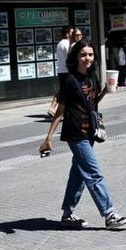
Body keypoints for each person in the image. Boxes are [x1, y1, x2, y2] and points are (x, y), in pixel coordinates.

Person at [57, 40, 126, 229]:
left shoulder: (92, 77)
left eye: (90, 54)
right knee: (93, 173)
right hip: (76, 133)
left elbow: (91, 103)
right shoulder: (70, 80)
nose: (87, 58)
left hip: (89, 130)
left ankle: (67, 214)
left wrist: (105, 91)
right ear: (75, 57)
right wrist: (48, 138)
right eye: (83, 55)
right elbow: (60, 109)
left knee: (78, 174)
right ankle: (110, 215)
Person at [40, 27, 81, 156]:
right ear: (68, 33)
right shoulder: (66, 44)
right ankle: (53, 108)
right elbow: (72, 58)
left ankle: (53, 108)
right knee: (64, 96)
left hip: (62, 72)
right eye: (73, 33)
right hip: (68, 73)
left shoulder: (60, 43)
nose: (75, 35)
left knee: (63, 94)